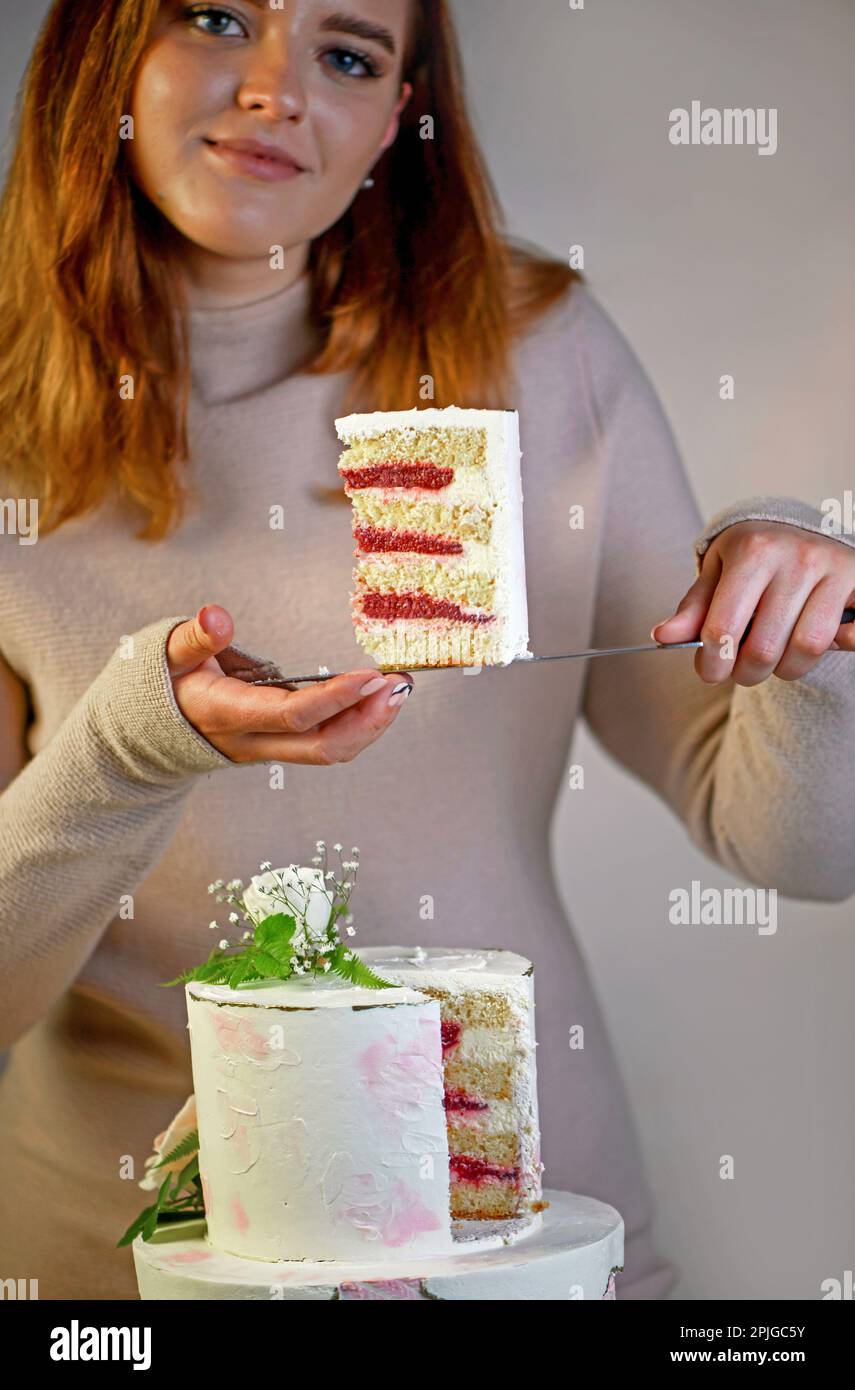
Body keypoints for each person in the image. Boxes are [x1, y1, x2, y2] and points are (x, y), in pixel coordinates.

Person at [1, 0, 853, 1302]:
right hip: (133, 1279)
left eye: (349, 52)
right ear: (99, 52)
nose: (280, 88)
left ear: (399, 115)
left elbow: (793, 847)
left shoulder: (536, 350)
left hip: (526, 1243)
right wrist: (128, 747)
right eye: (218, 16)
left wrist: (805, 630)